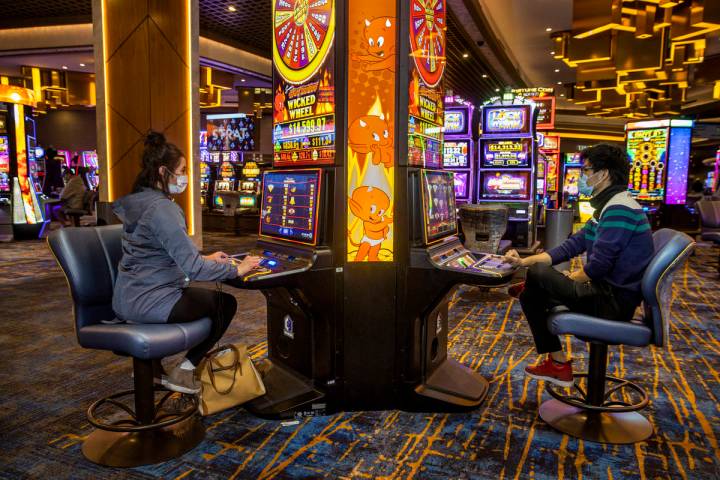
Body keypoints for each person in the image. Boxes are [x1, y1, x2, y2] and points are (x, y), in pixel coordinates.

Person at [112, 131, 261, 394]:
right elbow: (193, 269)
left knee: (206, 296)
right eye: (181, 170)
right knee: (225, 304)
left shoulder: (138, 201)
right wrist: (237, 268)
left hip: (128, 295)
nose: (185, 176)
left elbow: (157, 253)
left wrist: (205, 258)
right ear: (162, 172)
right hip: (150, 299)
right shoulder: (162, 209)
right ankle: (185, 371)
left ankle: (155, 373)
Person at [504, 143, 654, 387]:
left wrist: (554, 279)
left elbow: (597, 268)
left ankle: (534, 287)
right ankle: (558, 363)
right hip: (601, 292)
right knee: (531, 294)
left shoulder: (620, 209)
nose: (582, 176)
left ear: (603, 174)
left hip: (611, 302)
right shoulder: (607, 206)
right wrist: (523, 261)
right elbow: (570, 247)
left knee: (538, 276)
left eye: (586, 171)